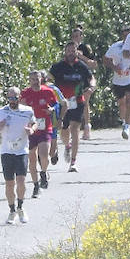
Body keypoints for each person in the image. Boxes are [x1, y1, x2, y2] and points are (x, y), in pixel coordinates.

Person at [0, 88, 36, 224]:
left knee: (21, 181)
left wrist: (31, 130)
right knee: (9, 183)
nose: (12, 101)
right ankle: (12, 210)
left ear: (19, 97)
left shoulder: (27, 110)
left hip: (22, 150)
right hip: (6, 151)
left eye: (15, 98)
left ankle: (21, 208)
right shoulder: (0, 112)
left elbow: (34, 123)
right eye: (10, 98)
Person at [49, 42, 93, 172]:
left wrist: (91, 87)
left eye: (73, 51)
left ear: (76, 52)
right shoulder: (58, 67)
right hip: (62, 104)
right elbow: (49, 79)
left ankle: (73, 162)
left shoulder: (82, 66)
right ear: (65, 52)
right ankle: (67, 145)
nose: (70, 53)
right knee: (64, 129)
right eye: (68, 51)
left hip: (78, 101)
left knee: (75, 129)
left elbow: (91, 79)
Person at [20, 70, 60, 196]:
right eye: (32, 79)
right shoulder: (25, 93)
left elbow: (57, 105)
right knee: (32, 158)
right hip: (30, 128)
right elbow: (19, 107)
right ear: (29, 81)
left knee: (43, 154)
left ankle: (43, 172)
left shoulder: (48, 91)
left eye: (37, 79)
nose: (35, 81)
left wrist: (52, 109)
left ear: (41, 79)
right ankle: (36, 185)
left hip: (45, 127)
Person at [104, 25, 130, 139]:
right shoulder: (115, 46)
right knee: (121, 103)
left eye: (129, 34)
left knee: (129, 102)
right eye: (124, 33)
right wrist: (114, 67)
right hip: (118, 79)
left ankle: (127, 126)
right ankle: (124, 121)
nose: (127, 36)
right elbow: (105, 59)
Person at [69, 24, 98, 138]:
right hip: (72, 79)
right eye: (73, 36)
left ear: (81, 37)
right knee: (72, 102)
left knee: (84, 102)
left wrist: (81, 57)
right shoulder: (69, 49)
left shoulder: (86, 48)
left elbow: (93, 64)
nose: (75, 38)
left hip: (85, 78)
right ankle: (74, 127)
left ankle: (87, 126)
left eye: (77, 36)